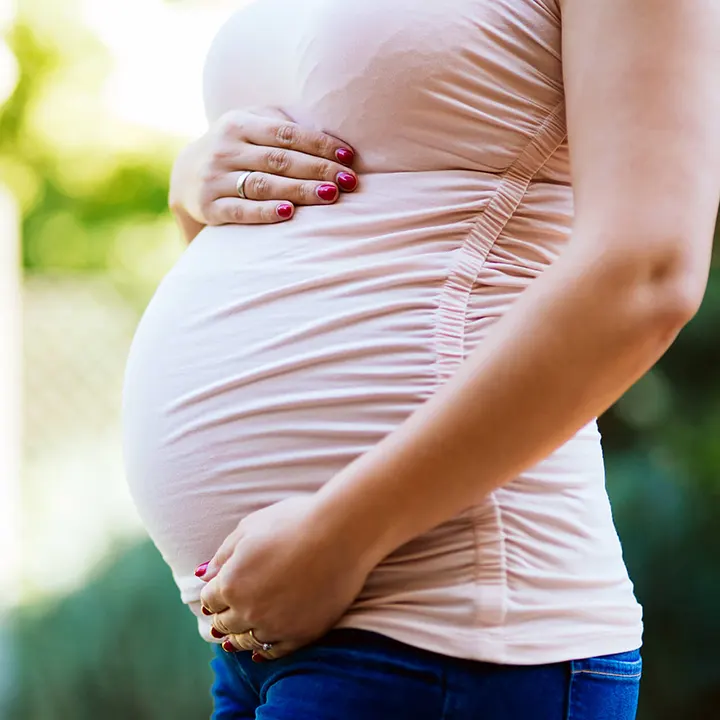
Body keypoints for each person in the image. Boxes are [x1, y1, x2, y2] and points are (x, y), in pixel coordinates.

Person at [121, 0, 720, 718]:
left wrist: (342, 535)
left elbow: (646, 274)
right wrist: (193, 185)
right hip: (271, 630)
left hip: (450, 624)